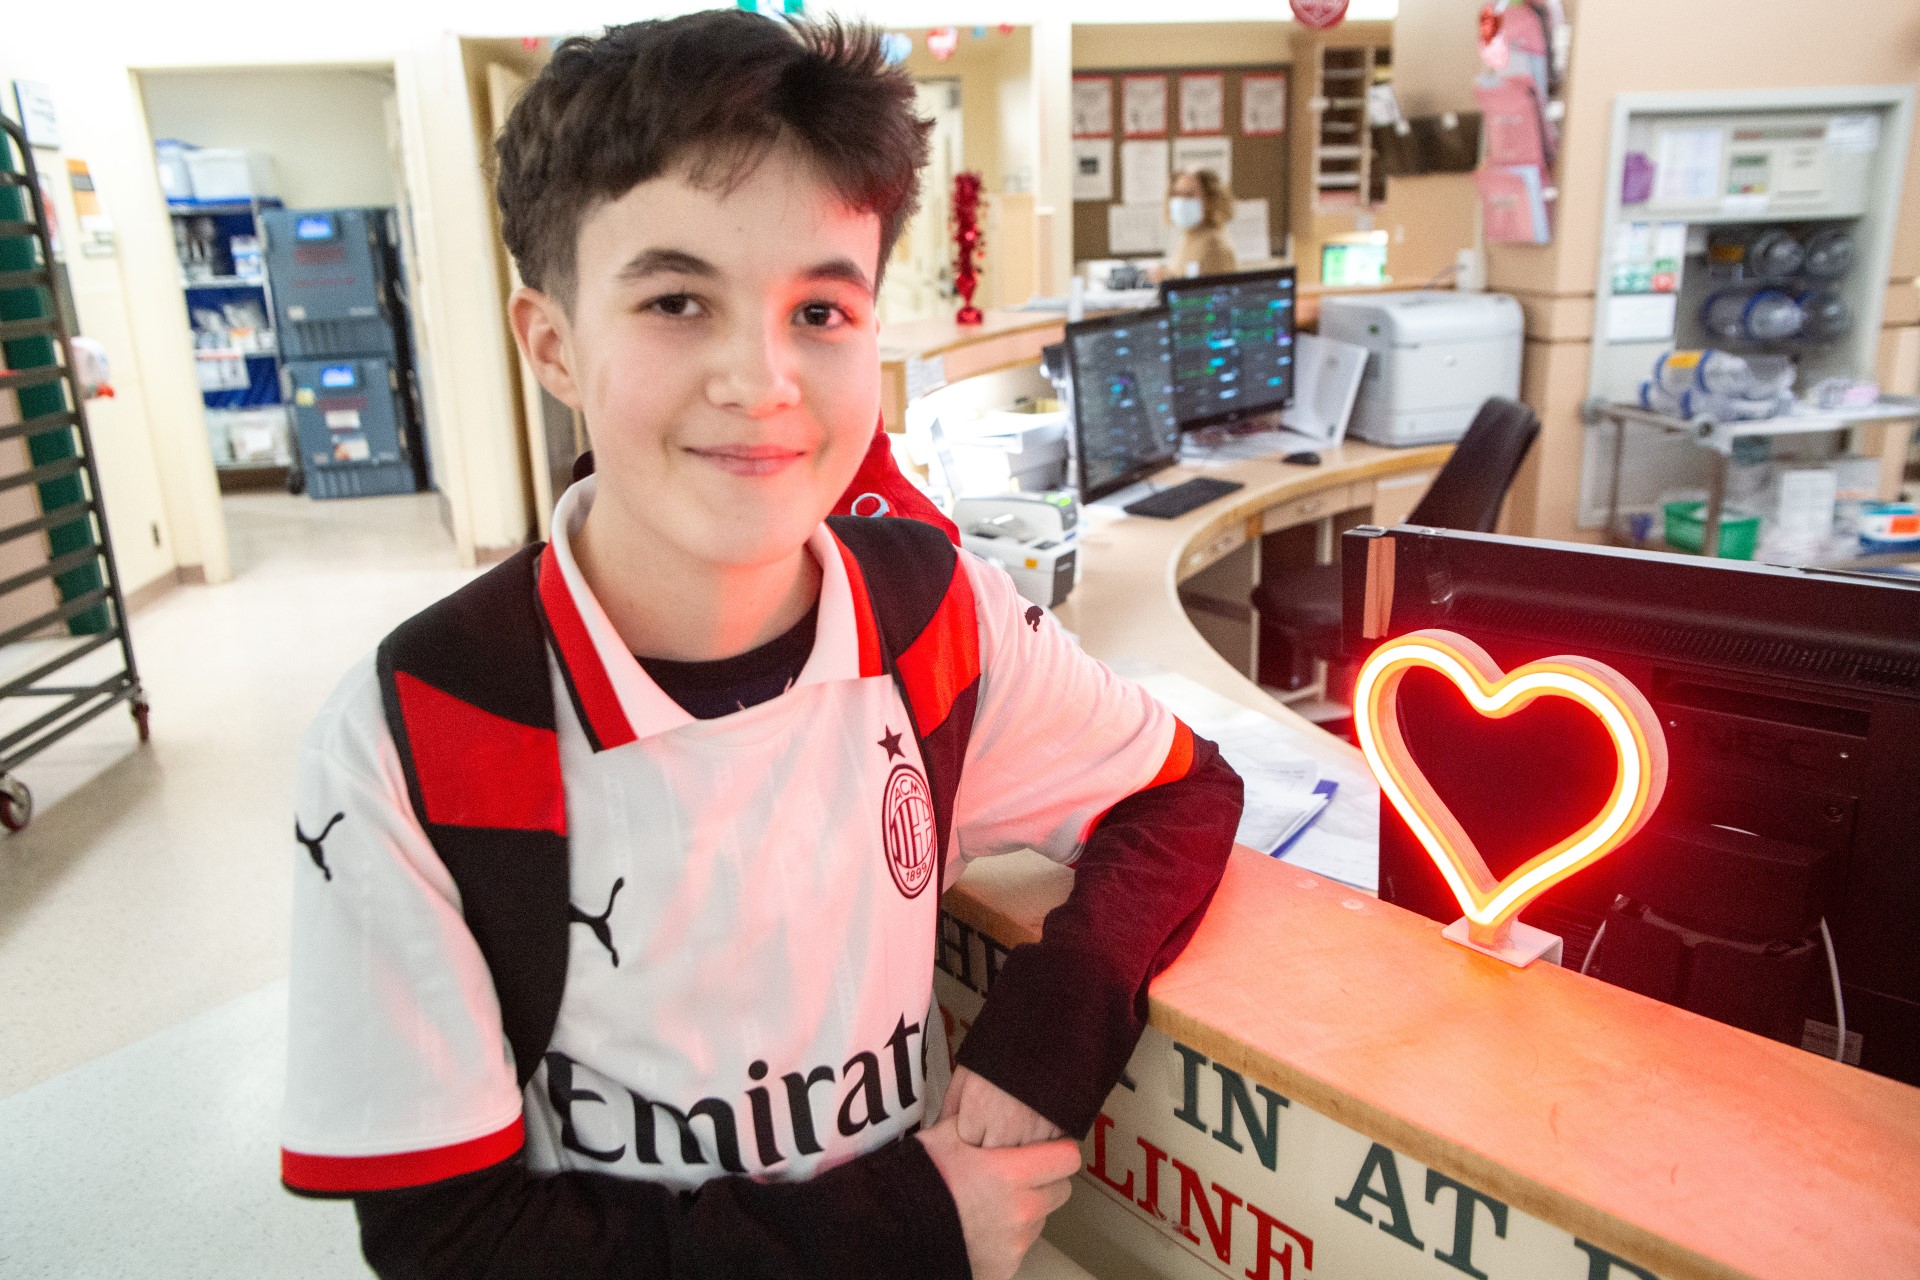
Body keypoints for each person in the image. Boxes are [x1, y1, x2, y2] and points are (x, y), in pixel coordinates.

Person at [280, 13, 1242, 1280]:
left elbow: (1180, 790)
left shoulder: (932, 617)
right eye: (678, 299)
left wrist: (1043, 1042)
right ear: (553, 340)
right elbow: (453, 1239)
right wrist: (907, 1230)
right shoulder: (416, 731)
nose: (763, 377)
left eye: (822, 309)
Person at [1161, 168, 1238, 280]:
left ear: (1209, 200)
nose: (1181, 201)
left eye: (1189, 195)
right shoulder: (1191, 237)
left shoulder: (1214, 244)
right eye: (1177, 194)